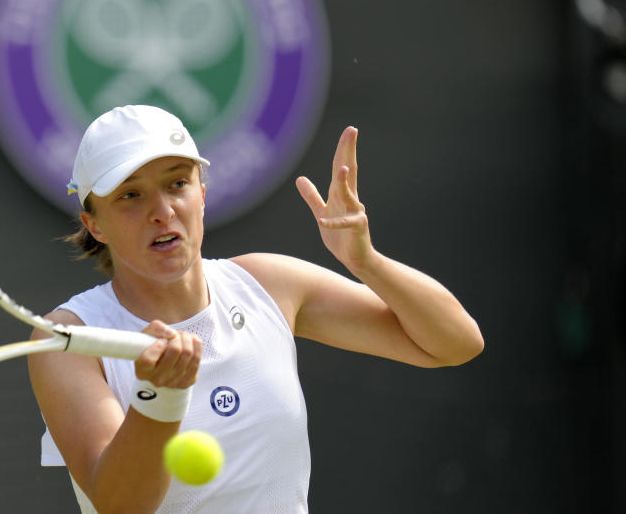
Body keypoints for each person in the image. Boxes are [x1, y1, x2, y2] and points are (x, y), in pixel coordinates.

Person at [28, 104, 484, 514]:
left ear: (202, 194)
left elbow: (456, 343)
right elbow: (120, 506)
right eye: (130, 195)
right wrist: (159, 398)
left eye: (177, 184)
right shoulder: (66, 339)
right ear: (94, 224)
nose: (162, 211)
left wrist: (366, 262)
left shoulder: (268, 283)